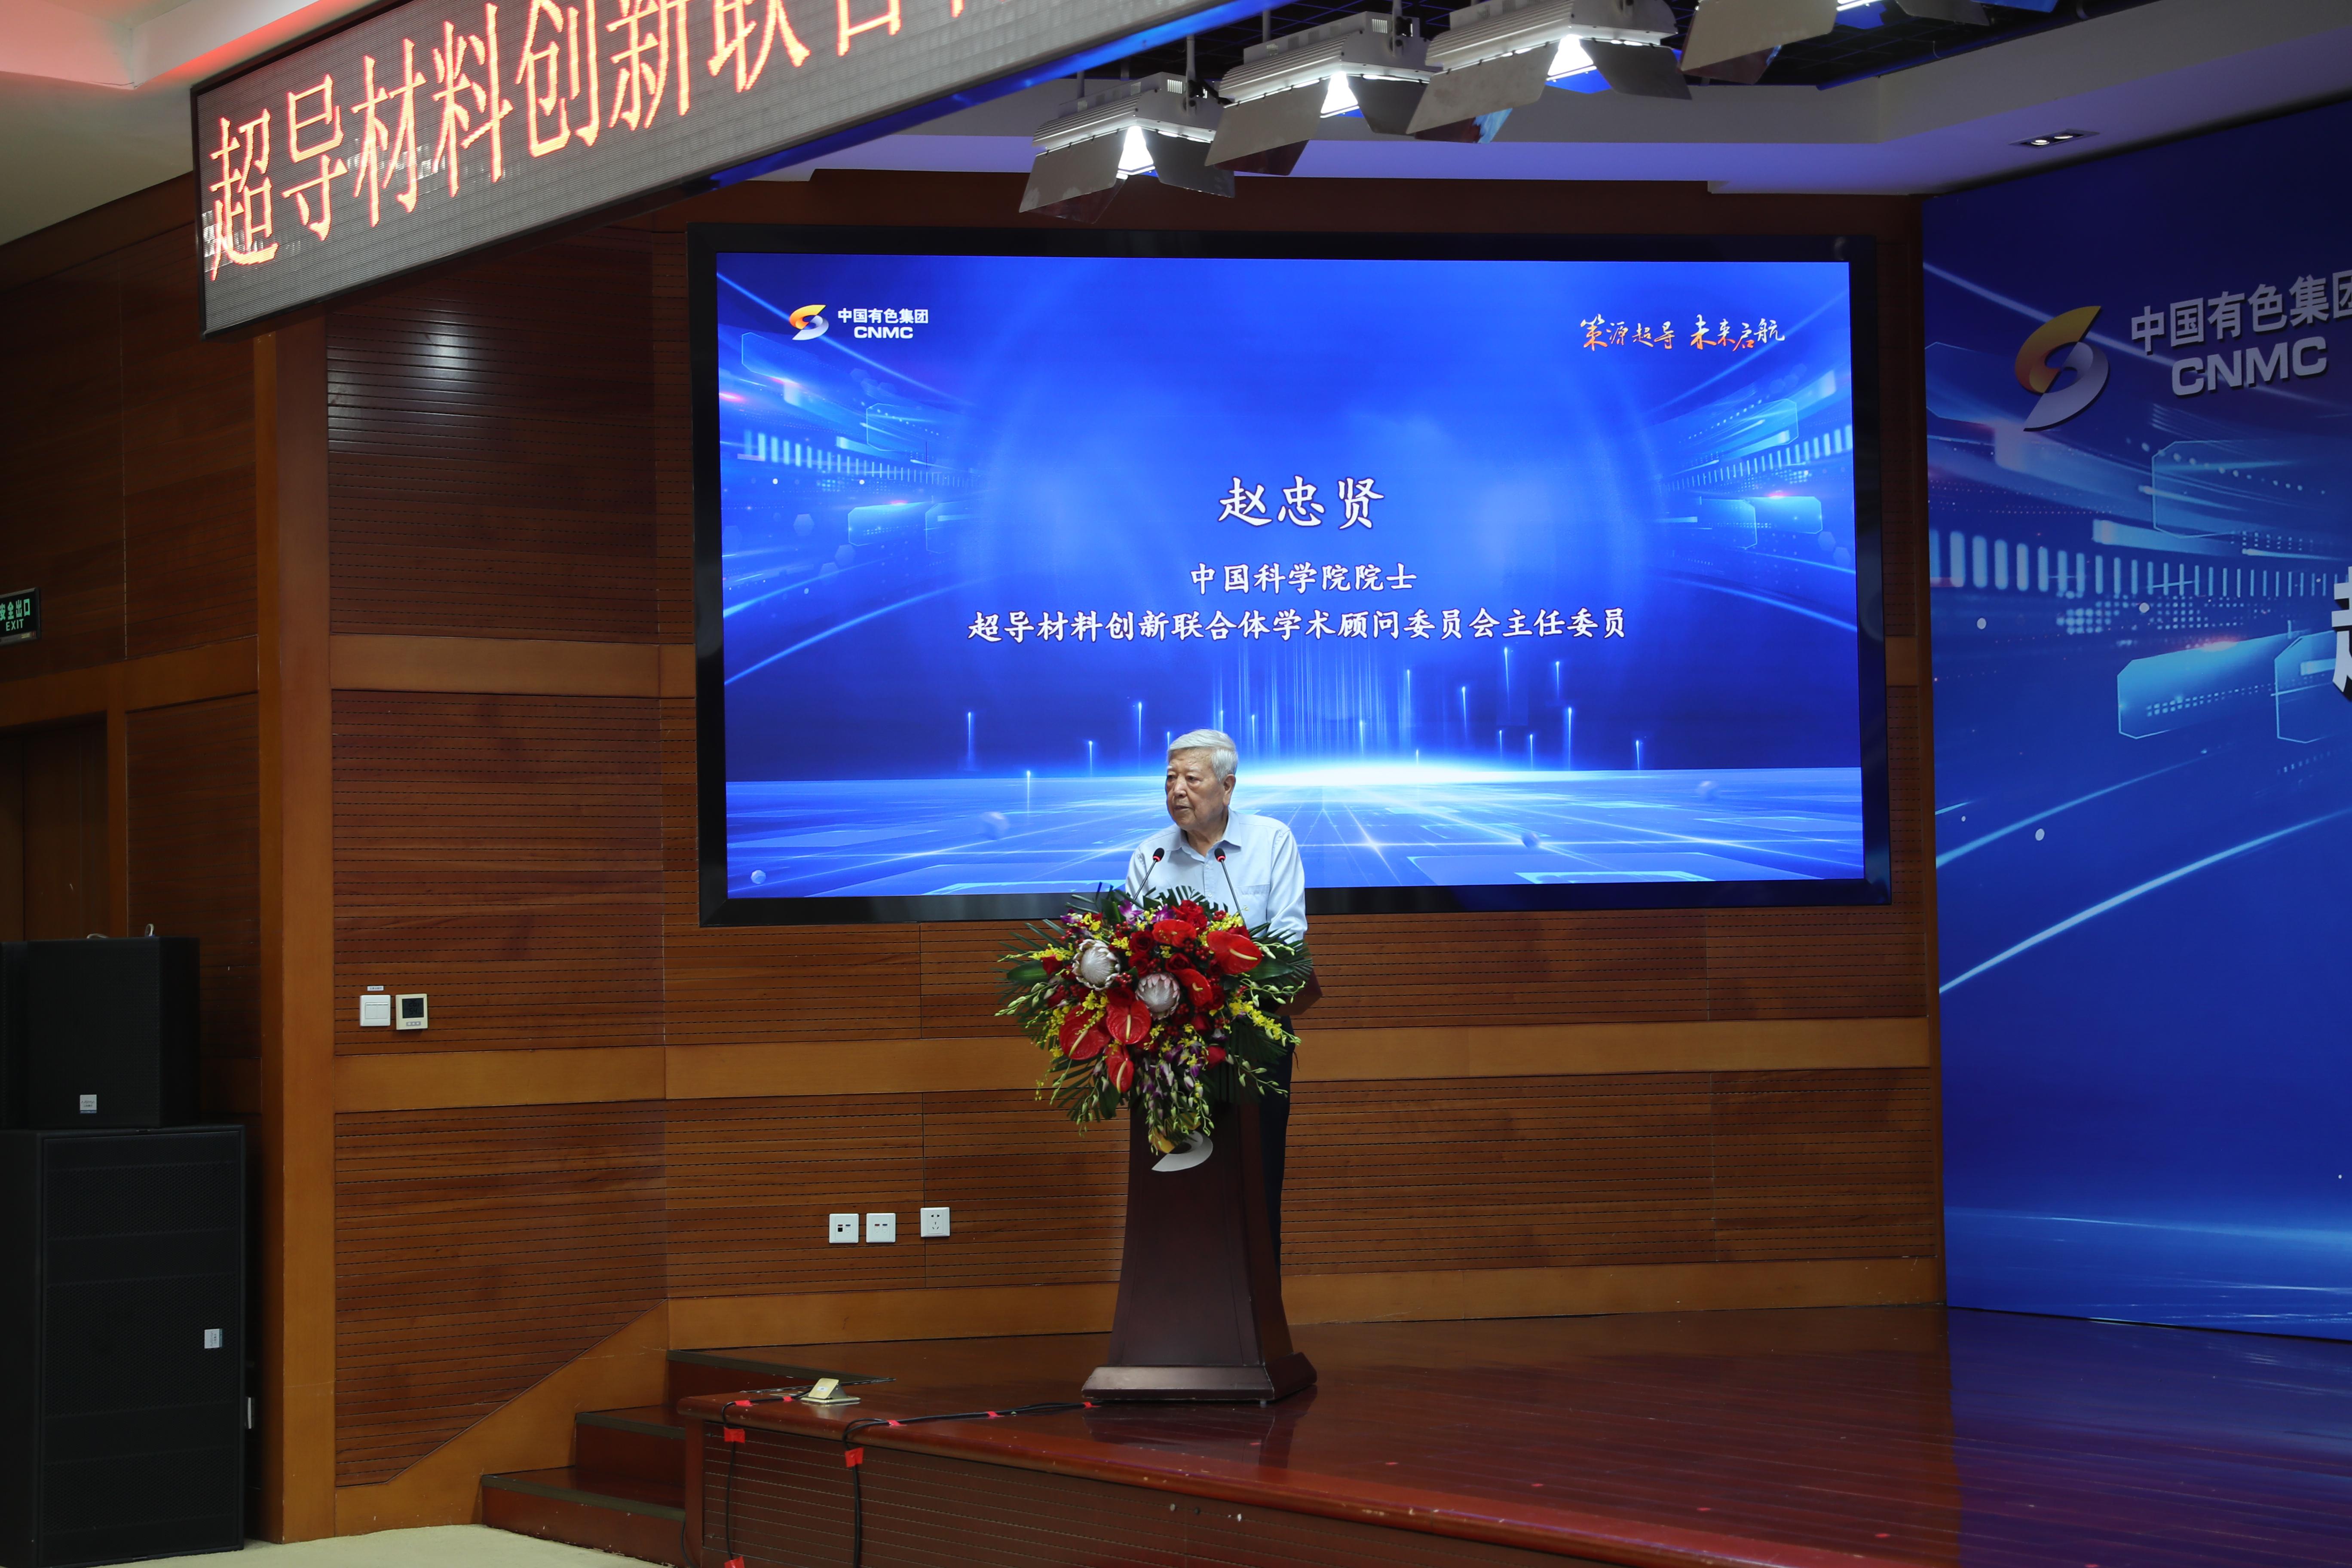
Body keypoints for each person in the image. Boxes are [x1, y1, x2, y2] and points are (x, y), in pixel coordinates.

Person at [1125, 729, 1308, 1260]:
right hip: (1170, 1048)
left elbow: (1289, 941)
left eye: (1191, 778)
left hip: (1253, 1040)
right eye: (1170, 779)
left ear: (1227, 787)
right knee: (1178, 1184)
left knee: (1256, 1177)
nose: (1177, 790)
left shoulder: (1272, 841)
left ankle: (1258, 1301)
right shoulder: (1151, 855)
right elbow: (1128, 948)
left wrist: (1219, 968)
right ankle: (1177, 1299)